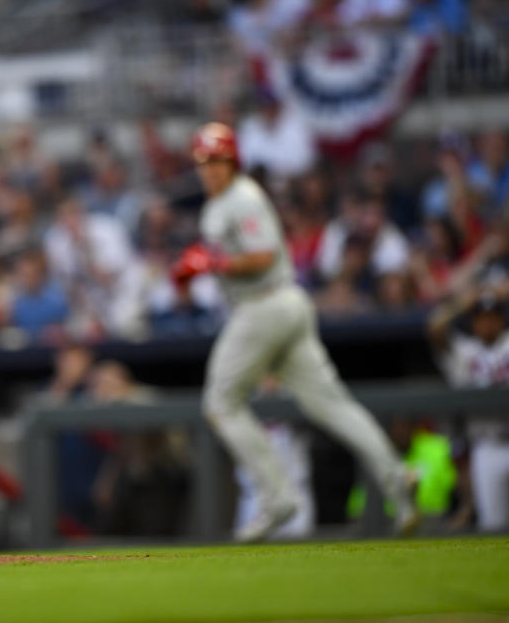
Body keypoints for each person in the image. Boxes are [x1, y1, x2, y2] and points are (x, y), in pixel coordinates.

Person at [171, 122, 418, 542]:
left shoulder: (243, 197)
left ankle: (275, 495)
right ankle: (396, 476)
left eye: (217, 160)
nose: (210, 169)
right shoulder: (216, 207)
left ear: (233, 161)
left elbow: (262, 255)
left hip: (265, 304)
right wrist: (192, 273)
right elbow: (223, 261)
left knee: (220, 403)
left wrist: (213, 264)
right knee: (330, 404)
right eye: (203, 162)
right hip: (278, 308)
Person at [428, 285, 509, 531]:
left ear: (501, 319)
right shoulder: (465, 353)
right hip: (485, 445)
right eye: (481, 319)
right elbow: (435, 329)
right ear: (473, 323)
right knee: (492, 525)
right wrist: (462, 303)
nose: (487, 324)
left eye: (492, 318)